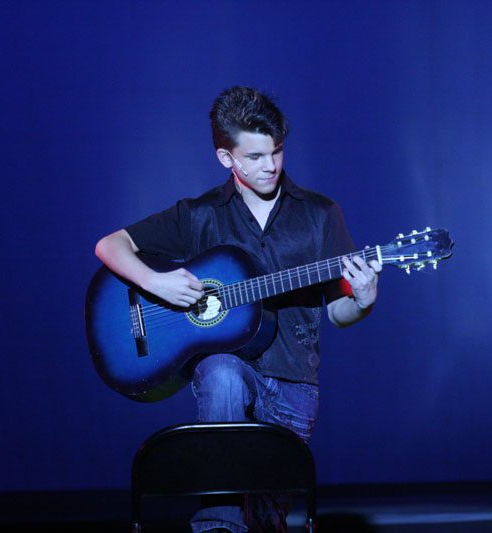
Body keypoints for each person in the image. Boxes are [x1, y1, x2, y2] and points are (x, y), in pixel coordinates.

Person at [95, 86, 381, 532]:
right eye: (255, 156)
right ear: (226, 158)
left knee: (266, 520)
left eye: (277, 151)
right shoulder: (199, 215)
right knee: (222, 370)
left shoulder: (320, 214)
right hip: (227, 374)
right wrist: (156, 282)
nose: (270, 165)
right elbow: (109, 245)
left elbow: (337, 313)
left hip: (293, 382)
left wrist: (362, 299)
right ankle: (217, 524)